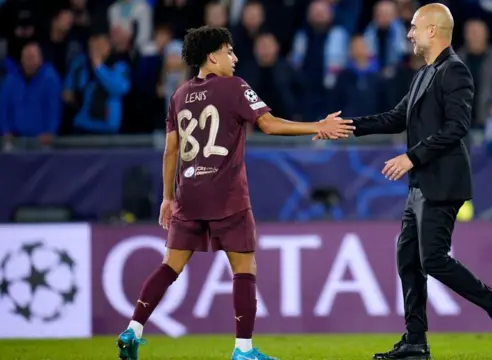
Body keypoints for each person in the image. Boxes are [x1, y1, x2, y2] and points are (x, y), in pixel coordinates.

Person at [116, 26, 354, 360]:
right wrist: (318, 126)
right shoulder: (234, 87)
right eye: (229, 51)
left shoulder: (179, 94)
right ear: (212, 56)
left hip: (188, 194)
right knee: (244, 269)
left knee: (170, 266)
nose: (235, 58)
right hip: (226, 195)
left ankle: (133, 328)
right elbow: (269, 125)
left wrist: (168, 198)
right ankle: (243, 350)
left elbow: (171, 150)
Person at [316, 4, 492, 360]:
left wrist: (410, 156)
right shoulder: (424, 74)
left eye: (414, 27)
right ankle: (415, 340)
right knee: (408, 258)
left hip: (442, 181)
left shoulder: (455, 71)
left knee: (432, 258)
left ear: (433, 30)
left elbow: (457, 127)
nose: (409, 33)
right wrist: (345, 127)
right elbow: (394, 117)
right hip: (421, 183)